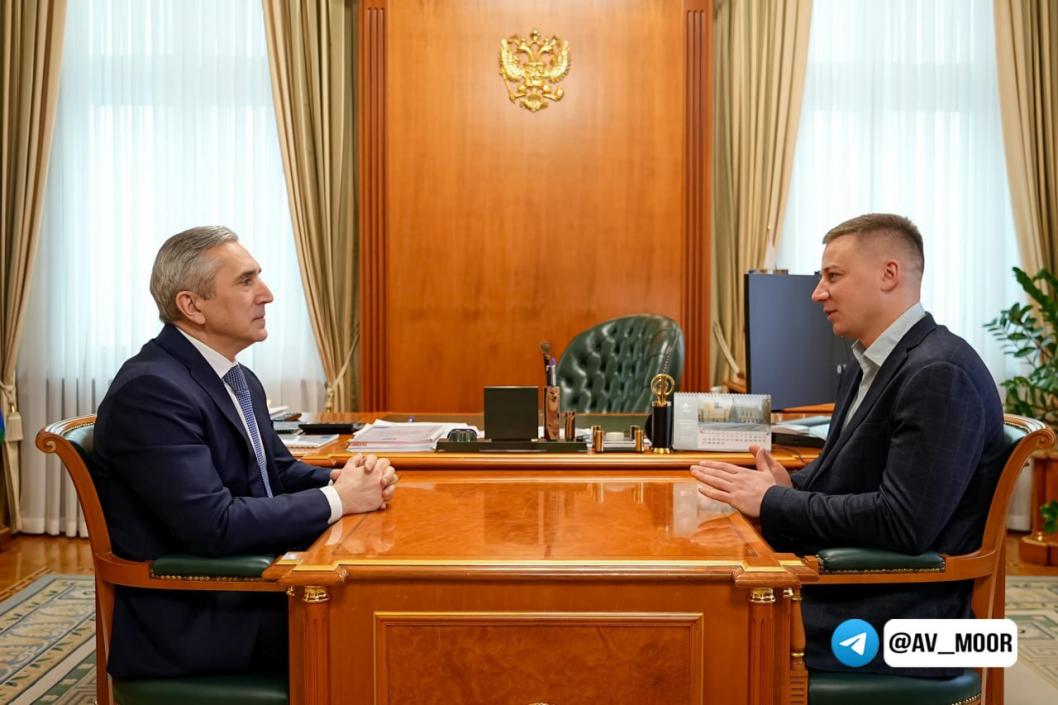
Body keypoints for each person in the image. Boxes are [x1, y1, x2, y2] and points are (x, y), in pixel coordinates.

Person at [692, 213, 1006, 677]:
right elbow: (854, 478)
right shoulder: (867, 363)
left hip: (901, 613)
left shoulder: (939, 372)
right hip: (861, 587)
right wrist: (788, 486)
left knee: (714, 624)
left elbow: (903, 524)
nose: (818, 293)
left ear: (888, 274)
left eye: (833, 276)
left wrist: (775, 501)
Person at [92, 225, 397, 679]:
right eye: (245, 281)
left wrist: (347, 479)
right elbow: (213, 526)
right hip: (203, 614)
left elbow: (275, 472)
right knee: (385, 623)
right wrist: (339, 500)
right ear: (192, 306)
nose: (267, 294)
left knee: (391, 598)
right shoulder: (152, 390)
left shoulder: (236, 377)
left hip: (250, 584)